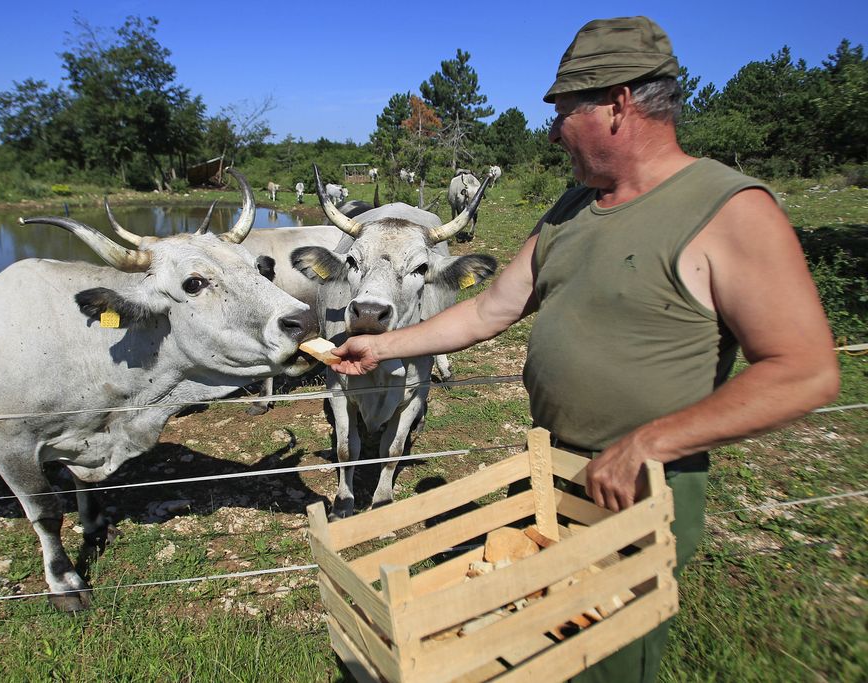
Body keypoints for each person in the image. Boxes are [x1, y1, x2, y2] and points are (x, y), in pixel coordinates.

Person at [329, 15, 839, 682]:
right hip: (550, 472)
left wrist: (648, 443)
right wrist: (384, 345)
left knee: (604, 664)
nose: (550, 130)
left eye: (564, 110)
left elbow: (806, 371)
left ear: (618, 103)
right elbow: (490, 307)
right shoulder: (573, 207)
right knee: (534, 655)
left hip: (638, 485)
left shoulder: (728, 209)